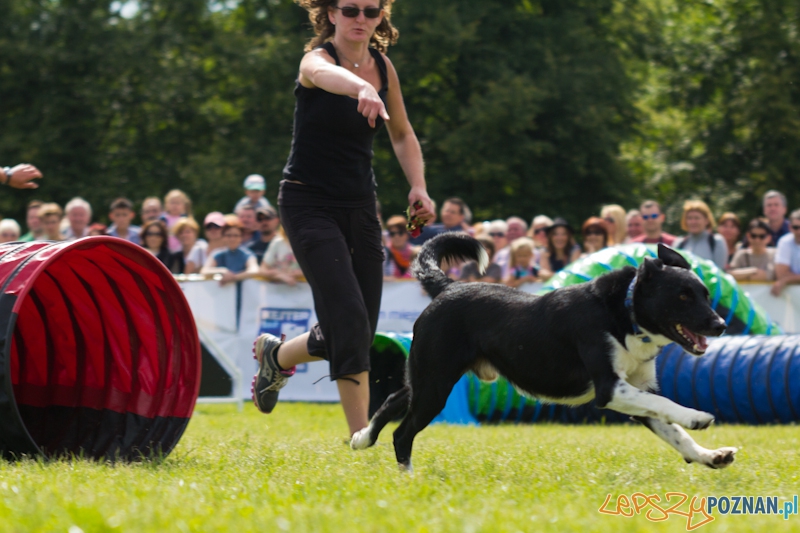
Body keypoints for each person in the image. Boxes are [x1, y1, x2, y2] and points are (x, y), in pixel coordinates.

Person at [251, 0, 435, 439]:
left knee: (358, 329)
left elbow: (403, 133)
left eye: (371, 11)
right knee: (348, 318)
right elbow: (322, 76)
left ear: (380, 18)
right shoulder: (316, 59)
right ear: (330, 14)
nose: (361, 18)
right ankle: (362, 439)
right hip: (306, 203)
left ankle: (276, 358)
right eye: (350, 9)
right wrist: (360, 89)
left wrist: (418, 186)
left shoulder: (385, 69)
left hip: (359, 207)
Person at [201, 217, 259, 286]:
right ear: (223, 237)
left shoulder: (246, 254)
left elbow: (255, 270)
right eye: (229, 235)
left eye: (236, 235)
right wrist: (223, 271)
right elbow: (204, 271)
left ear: (241, 238)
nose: (232, 239)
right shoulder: (217, 254)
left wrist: (234, 277)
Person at [673, 200, 728, 268]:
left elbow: (720, 271)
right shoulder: (679, 243)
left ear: (707, 220)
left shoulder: (716, 241)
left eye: (697, 218)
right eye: (689, 218)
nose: (693, 222)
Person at [771, 209, 800, 296]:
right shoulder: (785, 242)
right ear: (789, 227)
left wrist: (787, 279)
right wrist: (785, 278)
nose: (799, 231)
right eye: (796, 227)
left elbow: (784, 277)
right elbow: (781, 274)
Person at [383, 215, 414, 279]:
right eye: (392, 233)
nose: (396, 236)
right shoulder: (384, 253)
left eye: (400, 233)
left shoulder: (415, 252)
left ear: (407, 234)